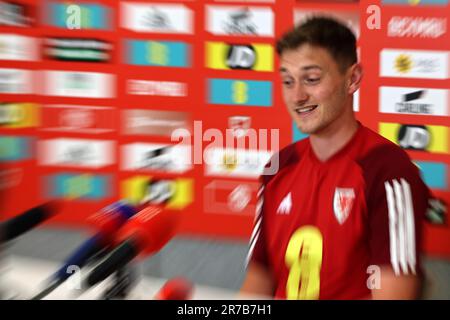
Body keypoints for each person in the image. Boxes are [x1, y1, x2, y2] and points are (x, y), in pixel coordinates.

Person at [240, 16, 430, 300]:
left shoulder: (389, 171)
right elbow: (258, 282)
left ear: (352, 79)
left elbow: (394, 294)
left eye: (312, 79)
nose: (297, 95)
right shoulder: (278, 167)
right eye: (288, 81)